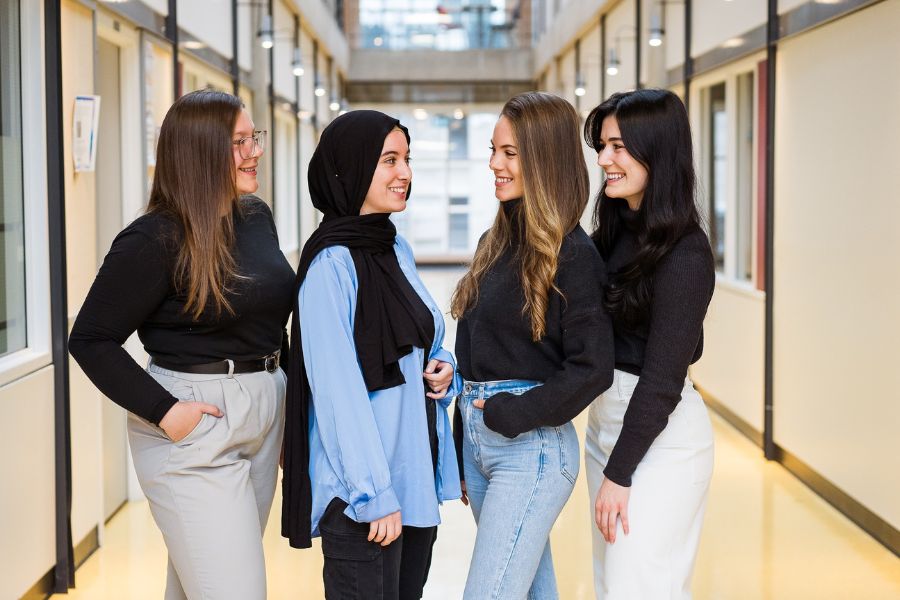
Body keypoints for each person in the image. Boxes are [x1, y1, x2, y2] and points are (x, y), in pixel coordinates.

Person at [68, 89, 293, 599]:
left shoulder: (255, 217)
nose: (255, 151)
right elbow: (91, 339)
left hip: (262, 411)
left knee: (200, 587)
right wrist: (166, 412)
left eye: (252, 138)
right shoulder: (153, 239)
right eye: (240, 142)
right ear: (200, 152)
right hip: (193, 426)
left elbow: (272, 320)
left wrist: (285, 401)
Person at [280, 110, 461, 600]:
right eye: (389, 160)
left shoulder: (394, 247)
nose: (404, 173)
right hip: (363, 500)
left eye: (407, 159)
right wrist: (373, 495)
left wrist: (447, 369)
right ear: (351, 169)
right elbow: (338, 395)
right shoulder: (330, 268)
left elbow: (425, 337)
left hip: (413, 485)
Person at [450, 91, 615, 599]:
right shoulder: (492, 243)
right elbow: (470, 352)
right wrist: (463, 446)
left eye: (510, 153)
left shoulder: (572, 253)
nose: (495, 165)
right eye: (494, 151)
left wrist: (513, 414)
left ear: (543, 159)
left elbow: (593, 367)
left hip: (532, 450)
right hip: (482, 446)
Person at [583, 88, 716, 599]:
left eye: (618, 146)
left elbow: (663, 380)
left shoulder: (686, 253)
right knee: (612, 584)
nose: (604, 160)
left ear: (655, 150)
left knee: (639, 588)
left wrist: (620, 472)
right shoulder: (616, 231)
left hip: (661, 442)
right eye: (602, 146)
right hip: (606, 429)